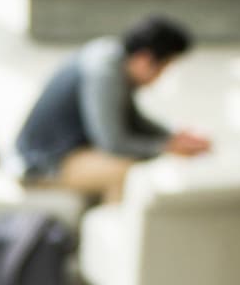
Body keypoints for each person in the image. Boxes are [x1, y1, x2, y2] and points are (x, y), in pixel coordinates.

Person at [14, 16, 211, 203]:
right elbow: (113, 142)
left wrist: (171, 136)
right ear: (145, 59)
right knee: (122, 170)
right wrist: (166, 147)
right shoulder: (105, 75)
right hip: (41, 165)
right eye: (163, 68)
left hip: (66, 151)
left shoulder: (113, 55)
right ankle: (115, 234)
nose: (161, 77)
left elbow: (130, 118)